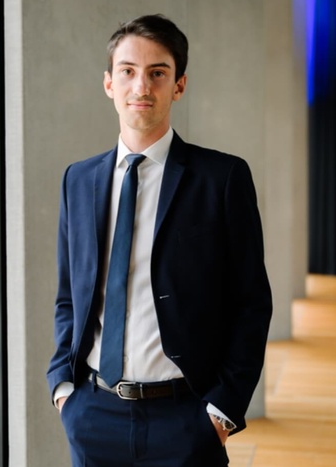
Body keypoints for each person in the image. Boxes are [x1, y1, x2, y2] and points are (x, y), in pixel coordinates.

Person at [47, 13, 272, 467]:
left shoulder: (222, 179)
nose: (141, 87)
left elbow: (251, 303)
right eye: (128, 71)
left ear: (179, 85)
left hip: (186, 420)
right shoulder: (79, 180)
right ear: (109, 83)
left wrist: (222, 411)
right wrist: (63, 391)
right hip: (93, 415)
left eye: (157, 73)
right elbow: (69, 296)